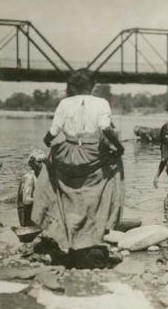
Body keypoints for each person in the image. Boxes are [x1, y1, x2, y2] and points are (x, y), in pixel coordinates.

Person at [31, 70, 125, 269]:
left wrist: (48, 143)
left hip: (66, 153)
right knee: (114, 170)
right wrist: (119, 147)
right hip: (92, 155)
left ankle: (58, 228)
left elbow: (53, 132)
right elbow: (106, 128)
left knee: (51, 171)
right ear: (93, 85)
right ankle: (97, 228)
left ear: (73, 86)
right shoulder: (101, 103)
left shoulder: (65, 103)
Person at [17, 149, 47, 226]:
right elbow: (26, 200)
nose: (43, 165)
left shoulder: (41, 176)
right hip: (27, 217)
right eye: (39, 162)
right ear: (33, 163)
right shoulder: (29, 177)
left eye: (45, 161)